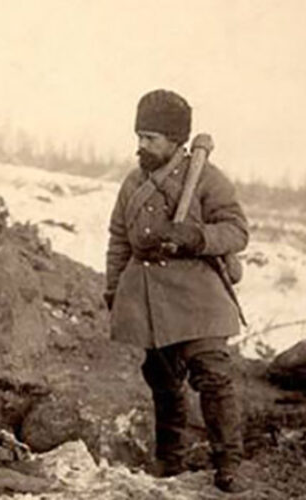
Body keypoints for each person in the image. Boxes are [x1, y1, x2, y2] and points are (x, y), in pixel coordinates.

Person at [104, 89, 249, 493]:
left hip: (197, 295)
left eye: (151, 138)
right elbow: (119, 239)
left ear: (176, 141)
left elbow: (237, 231)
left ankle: (228, 465)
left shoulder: (207, 177)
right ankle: (171, 461)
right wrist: (114, 291)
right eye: (139, 136)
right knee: (162, 380)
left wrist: (194, 236)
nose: (142, 146)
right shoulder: (133, 182)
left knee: (214, 376)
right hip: (147, 297)